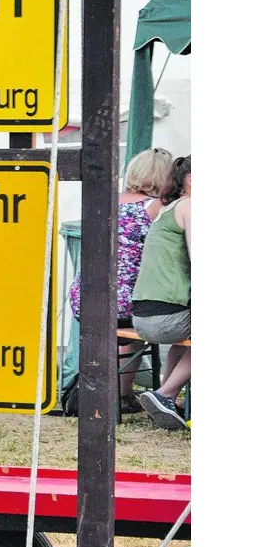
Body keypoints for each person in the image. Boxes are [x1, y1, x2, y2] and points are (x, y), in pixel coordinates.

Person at [67, 147, 175, 412]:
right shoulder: (156, 208)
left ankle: (121, 395)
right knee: (142, 320)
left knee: (127, 328)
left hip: (85, 297)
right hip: (126, 302)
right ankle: (130, 394)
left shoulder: (108, 201)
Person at [134, 155, 192, 430]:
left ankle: (165, 396)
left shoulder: (165, 210)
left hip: (142, 317)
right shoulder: (191, 207)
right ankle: (165, 393)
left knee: (185, 339)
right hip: (166, 317)